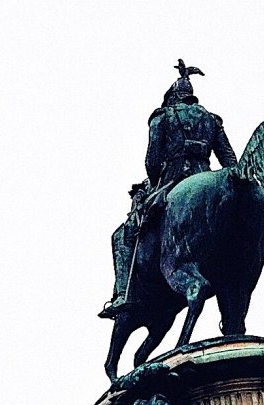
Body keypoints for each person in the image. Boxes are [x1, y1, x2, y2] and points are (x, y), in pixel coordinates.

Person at [101, 61, 237, 318]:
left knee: (123, 234)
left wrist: (156, 181)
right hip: (206, 174)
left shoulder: (162, 116)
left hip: (173, 177)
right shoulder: (212, 120)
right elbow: (229, 160)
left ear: (173, 98)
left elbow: (152, 161)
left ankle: (123, 295)